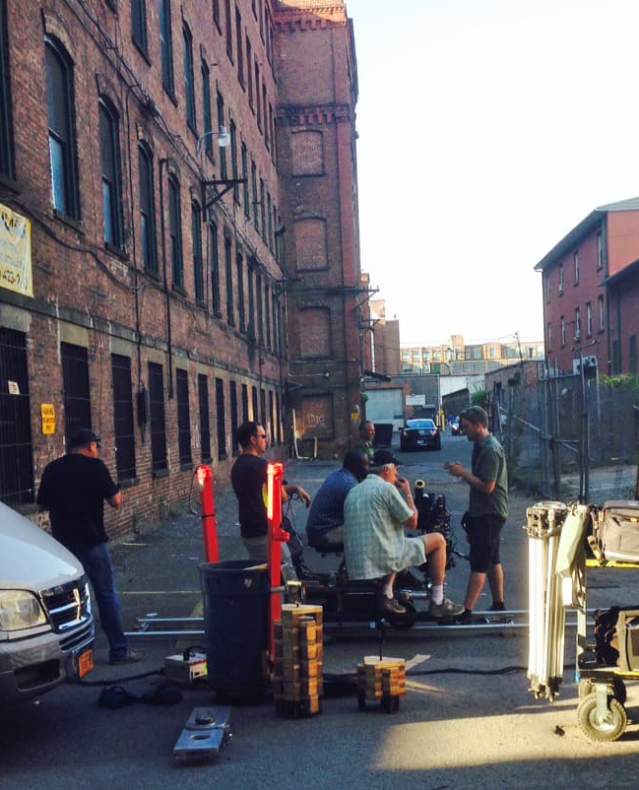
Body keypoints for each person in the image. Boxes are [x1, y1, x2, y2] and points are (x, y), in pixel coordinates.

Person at [36, 429, 142, 665]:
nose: (97, 450)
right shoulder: (96, 467)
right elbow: (115, 502)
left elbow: (42, 504)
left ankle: (75, 654)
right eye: (96, 445)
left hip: (62, 545)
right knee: (105, 594)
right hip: (91, 541)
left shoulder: (52, 469)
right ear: (90, 446)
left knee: (68, 601)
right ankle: (119, 650)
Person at [343, 449, 464, 618]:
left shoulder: (354, 491)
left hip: (357, 562)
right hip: (382, 558)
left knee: (396, 539)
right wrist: (407, 493)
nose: (397, 474)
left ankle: (387, 593)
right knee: (438, 540)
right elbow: (412, 522)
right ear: (386, 469)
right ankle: (438, 600)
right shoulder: (386, 489)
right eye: (396, 470)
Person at [446, 405, 509, 623]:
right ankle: (499, 603)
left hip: (490, 511)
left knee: (480, 561)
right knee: (493, 559)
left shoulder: (490, 449)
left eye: (466, 427)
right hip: (483, 511)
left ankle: (467, 610)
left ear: (478, 425)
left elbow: (487, 487)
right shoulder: (480, 445)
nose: (463, 431)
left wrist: (462, 473)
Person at [231, 421, 314, 579]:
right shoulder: (262, 466)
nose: (266, 440)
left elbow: (261, 492)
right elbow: (280, 497)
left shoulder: (237, 466)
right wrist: (289, 490)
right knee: (285, 574)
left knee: (260, 577)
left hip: (249, 532)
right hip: (267, 532)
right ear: (253, 440)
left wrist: (294, 488)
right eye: (263, 436)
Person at [305, 450, 369, 547]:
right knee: (369, 532)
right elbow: (363, 513)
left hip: (315, 531)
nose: (367, 469)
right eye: (365, 465)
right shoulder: (349, 485)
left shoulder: (338, 475)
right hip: (324, 534)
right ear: (356, 467)